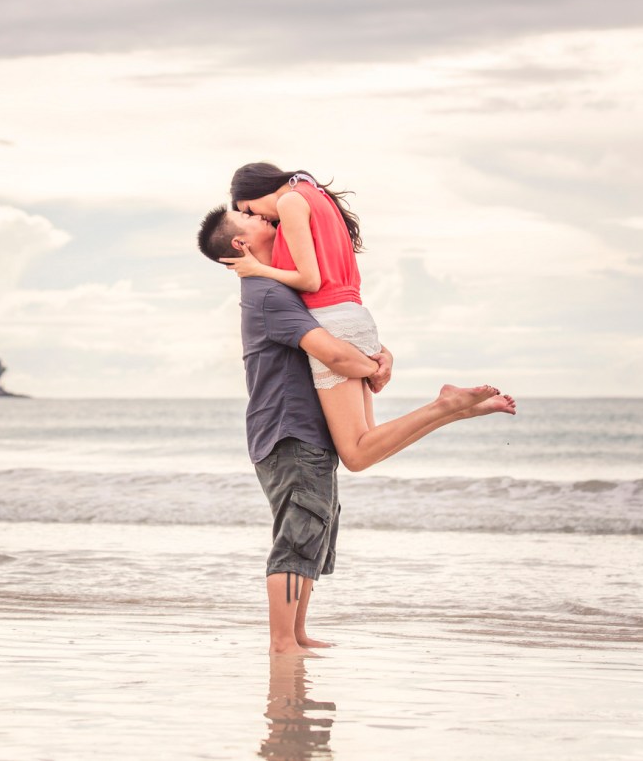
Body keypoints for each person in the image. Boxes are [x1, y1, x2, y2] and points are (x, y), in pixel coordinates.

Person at [198, 206, 514, 655]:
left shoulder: (279, 284)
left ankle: (298, 634)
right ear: (240, 244)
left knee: (314, 532)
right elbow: (336, 355)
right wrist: (372, 369)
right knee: (297, 534)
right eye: (249, 217)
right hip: (290, 429)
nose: (264, 217)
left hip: (304, 428)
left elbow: (338, 335)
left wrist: (381, 357)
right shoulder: (266, 292)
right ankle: (283, 642)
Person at [222, 162, 513, 472]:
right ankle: (454, 411)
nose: (258, 217)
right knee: (369, 445)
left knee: (357, 455)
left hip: (331, 320)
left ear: (257, 188)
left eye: (248, 209)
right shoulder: (318, 197)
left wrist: (257, 269)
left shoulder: (289, 201)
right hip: (354, 315)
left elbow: (310, 281)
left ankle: (445, 405)